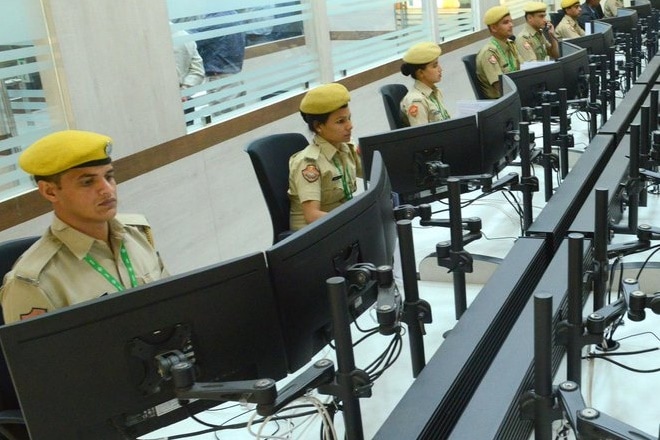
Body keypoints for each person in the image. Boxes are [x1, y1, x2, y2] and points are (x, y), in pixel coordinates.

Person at [0, 130, 168, 324]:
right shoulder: (32, 282)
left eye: (109, 176)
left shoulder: (137, 233)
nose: (107, 189)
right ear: (50, 191)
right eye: (88, 182)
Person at [288, 83, 362, 231]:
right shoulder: (309, 164)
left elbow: (374, 174)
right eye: (340, 121)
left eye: (349, 118)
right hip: (315, 235)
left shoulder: (346, 149)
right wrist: (354, 220)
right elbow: (312, 216)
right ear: (318, 126)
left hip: (339, 224)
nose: (350, 126)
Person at [476, 6, 523, 99]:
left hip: (515, 95)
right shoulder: (489, 53)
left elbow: (524, 69)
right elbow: (500, 87)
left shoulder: (510, 44)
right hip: (501, 102)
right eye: (506, 22)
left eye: (511, 21)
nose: (511, 25)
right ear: (493, 28)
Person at [399, 41, 451, 127]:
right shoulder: (417, 101)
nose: (440, 69)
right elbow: (423, 134)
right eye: (434, 66)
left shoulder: (435, 92)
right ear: (420, 73)